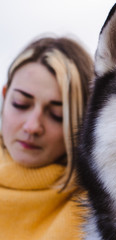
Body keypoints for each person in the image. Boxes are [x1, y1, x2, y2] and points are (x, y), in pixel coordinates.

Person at [0, 36, 94, 239]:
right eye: (21, 104)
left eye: (56, 116)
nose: (32, 127)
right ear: (5, 96)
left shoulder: (95, 216)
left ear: (81, 123)